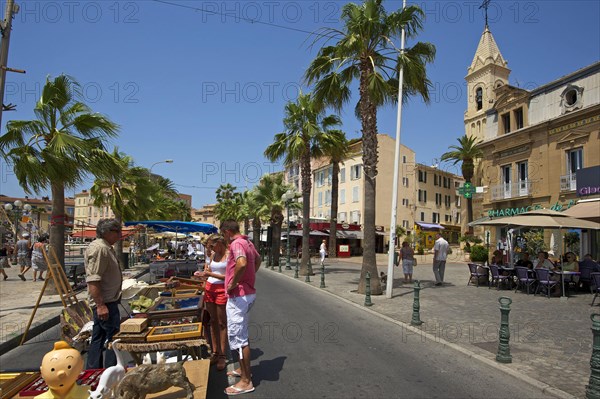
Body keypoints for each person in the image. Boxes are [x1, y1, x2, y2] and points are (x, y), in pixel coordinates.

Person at [220, 220, 261, 396]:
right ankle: (243, 371)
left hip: (239, 295)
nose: (224, 238)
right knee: (241, 333)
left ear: (228, 232)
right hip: (247, 293)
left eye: (223, 234)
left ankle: (246, 381)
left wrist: (233, 283)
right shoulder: (248, 242)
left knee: (238, 337)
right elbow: (258, 260)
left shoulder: (237, 243)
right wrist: (249, 278)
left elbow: (242, 263)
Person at [84, 218, 123, 369]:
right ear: (107, 232)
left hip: (107, 301)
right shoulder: (100, 249)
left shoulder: (105, 247)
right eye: (117, 232)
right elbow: (93, 279)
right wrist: (100, 305)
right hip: (105, 302)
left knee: (98, 338)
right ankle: (111, 370)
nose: (119, 235)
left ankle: (93, 371)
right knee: (114, 338)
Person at [201, 233, 229, 372]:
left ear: (220, 243)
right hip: (209, 288)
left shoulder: (229, 255)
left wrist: (209, 274)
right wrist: (204, 274)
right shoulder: (213, 255)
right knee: (212, 321)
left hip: (221, 290)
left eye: (212, 245)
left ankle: (222, 354)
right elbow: (209, 270)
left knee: (222, 322)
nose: (211, 248)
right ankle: (215, 351)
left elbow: (229, 276)